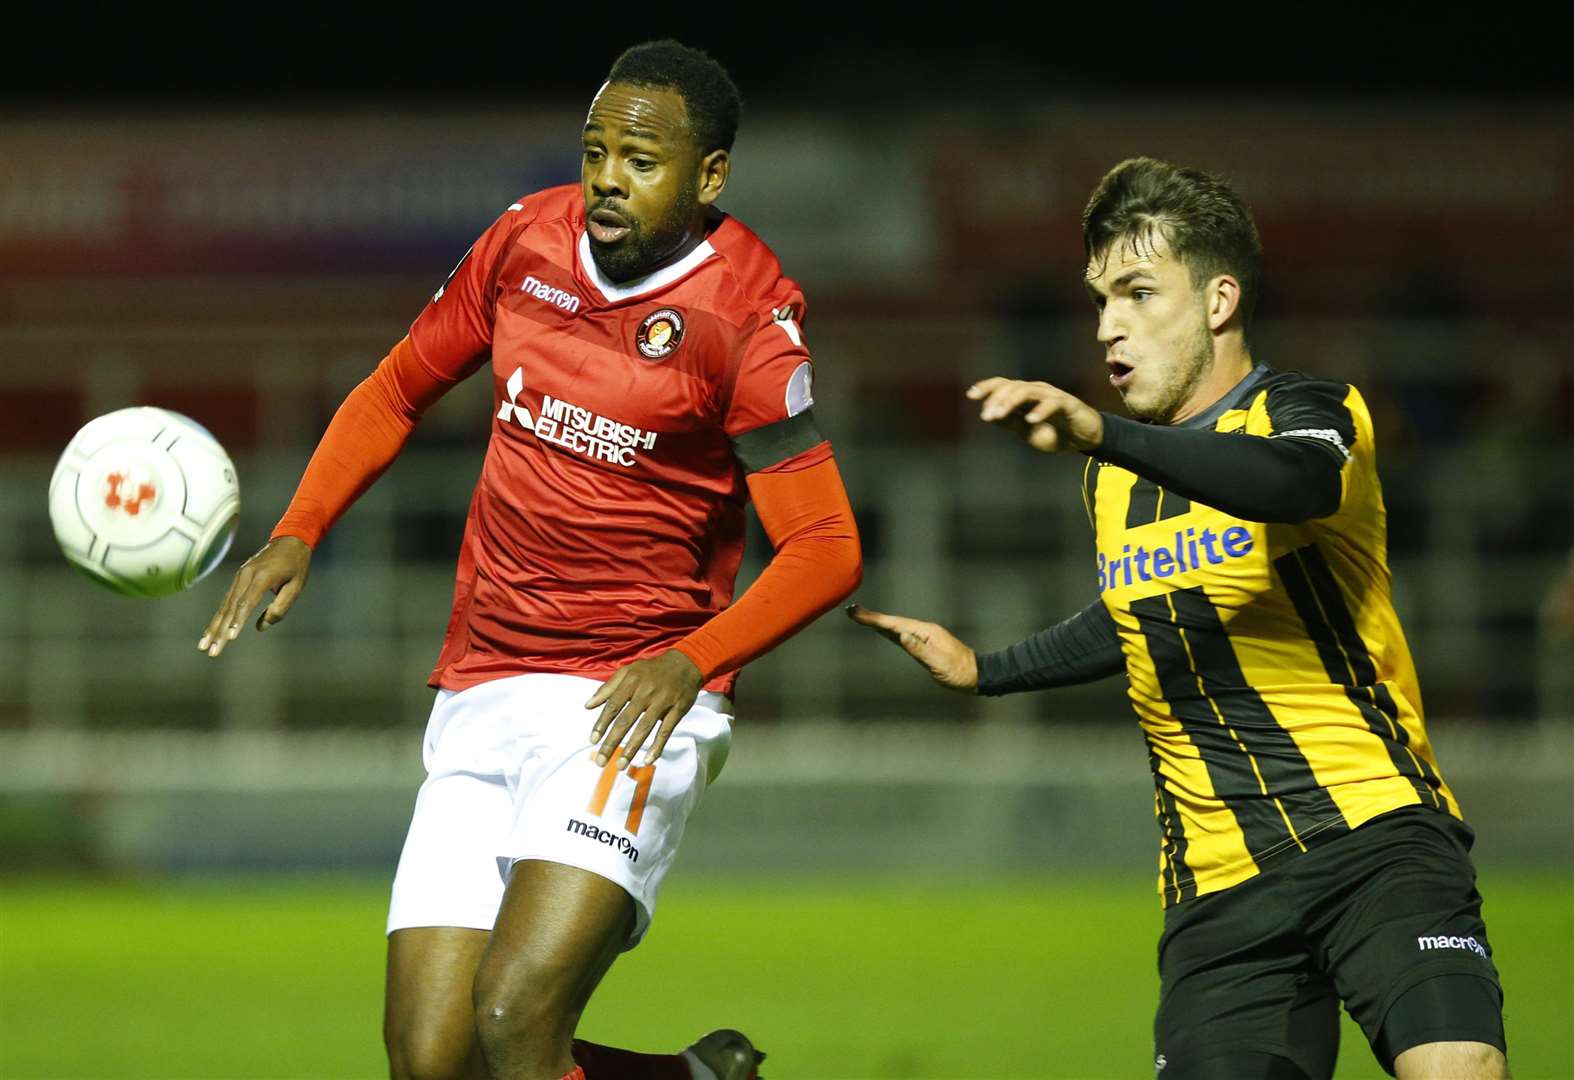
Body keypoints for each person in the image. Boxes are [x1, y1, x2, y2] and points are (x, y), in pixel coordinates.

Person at [199, 40, 861, 1080]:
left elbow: (825, 547)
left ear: (709, 176)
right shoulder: (524, 241)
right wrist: (301, 526)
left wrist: (692, 661)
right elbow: (393, 389)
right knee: (433, 1058)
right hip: (481, 685)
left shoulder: (744, 319)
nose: (606, 176)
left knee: (513, 1017)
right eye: (596, 150)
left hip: (626, 702)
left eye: (640, 160)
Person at [849, 157, 1508, 1080]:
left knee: (1459, 1068)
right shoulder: (1112, 480)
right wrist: (984, 669)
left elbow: (1295, 484)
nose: (1109, 324)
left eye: (1138, 292)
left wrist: (1104, 431)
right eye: (1100, 300)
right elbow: (1138, 612)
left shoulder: (1307, 411)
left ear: (1218, 300)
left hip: (1375, 836)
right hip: (1215, 891)